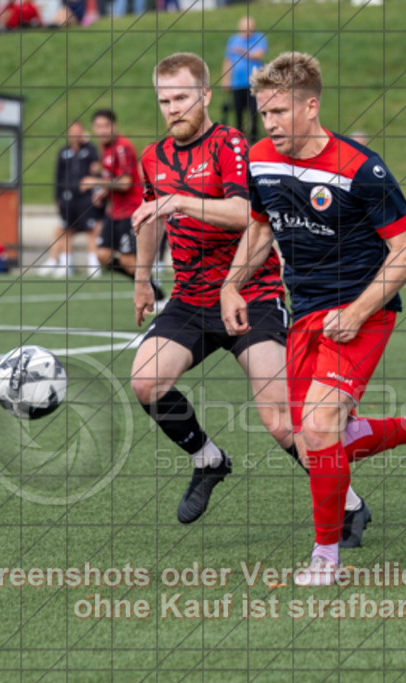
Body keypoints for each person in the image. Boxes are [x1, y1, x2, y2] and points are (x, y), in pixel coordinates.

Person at [222, 52, 406, 586]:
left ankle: (325, 556)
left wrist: (357, 311)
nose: (269, 123)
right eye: (264, 113)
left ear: (311, 106)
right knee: (314, 441)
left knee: (322, 425)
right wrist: (231, 284)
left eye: (279, 111)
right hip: (305, 313)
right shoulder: (259, 159)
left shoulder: (361, 168)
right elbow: (260, 229)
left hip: (362, 310)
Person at [130, 52, 371, 542]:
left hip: (250, 294)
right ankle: (208, 460)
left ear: (204, 96)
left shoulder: (232, 145)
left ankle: (349, 504)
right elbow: (150, 217)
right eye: (164, 101)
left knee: (280, 421)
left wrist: (180, 201)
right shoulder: (152, 158)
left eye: (181, 98)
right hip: (190, 299)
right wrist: (140, 277)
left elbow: (246, 214)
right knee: (146, 382)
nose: (173, 109)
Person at [82, 109, 165, 301]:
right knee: (103, 255)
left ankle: (157, 295)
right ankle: (146, 281)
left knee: (128, 260)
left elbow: (126, 183)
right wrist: (103, 193)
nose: (102, 130)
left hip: (130, 211)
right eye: (98, 126)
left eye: (106, 126)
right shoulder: (105, 149)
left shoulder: (123, 147)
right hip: (114, 212)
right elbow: (113, 179)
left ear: (114, 126)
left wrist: (95, 182)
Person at [45, 120, 101, 276]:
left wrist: (88, 143)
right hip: (68, 199)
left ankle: (93, 264)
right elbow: (58, 176)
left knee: (91, 229)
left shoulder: (89, 150)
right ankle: (66, 264)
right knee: (67, 230)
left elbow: (97, 167)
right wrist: (58, 197)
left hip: (85, 198)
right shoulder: (63, 152)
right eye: (73, 132)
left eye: (78, 132)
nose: (75, 135)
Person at [222, 16, 267, 143]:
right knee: (238, 112)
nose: (246, 31)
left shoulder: (259, 38)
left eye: (249, 28)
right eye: (244, 29)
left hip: (253, 83)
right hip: (237, 83)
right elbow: (228, 61)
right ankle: (239, 138)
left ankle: (254, 139)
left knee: (254, 111)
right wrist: (226, 79)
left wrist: (242, 51)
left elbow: (259, 55)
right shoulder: (233, 40)